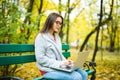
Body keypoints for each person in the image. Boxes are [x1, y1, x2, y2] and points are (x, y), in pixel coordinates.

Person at [35, 12, 88, 80]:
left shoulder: (57, 37)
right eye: (57, 22)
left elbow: (59, 54)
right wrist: (60, 63)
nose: (59, 25)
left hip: (58, 67)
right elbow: (40, 59)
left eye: (60, 24)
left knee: (83, 73)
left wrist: (67, 62)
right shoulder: (41, 37)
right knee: (76, 77)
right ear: (50, 21)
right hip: (47, 70)